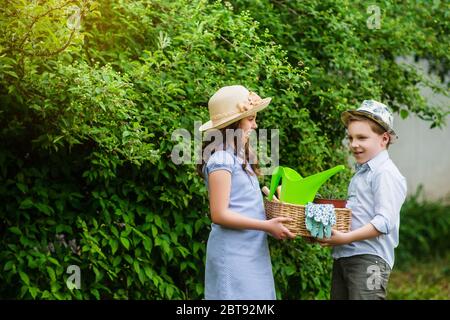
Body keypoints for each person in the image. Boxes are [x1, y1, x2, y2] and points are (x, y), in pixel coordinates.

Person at [197, 85, 295, 300]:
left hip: (251, 248)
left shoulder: (240, 158)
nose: (255, 124)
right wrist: (266, 226)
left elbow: (244, 206)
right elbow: (220, 214)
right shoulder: (221, 158)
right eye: (250, 119)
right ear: (233, 124)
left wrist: (274, 214)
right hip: (233, 252)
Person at [319, 100, 407, 300]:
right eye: (350, 138)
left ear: (384, 139)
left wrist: (345, 238)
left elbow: (384, 221)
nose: (354, 144)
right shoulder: (362, 173)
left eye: (362, 138)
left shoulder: (385, 173)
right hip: (346, 256)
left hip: (370, 261)